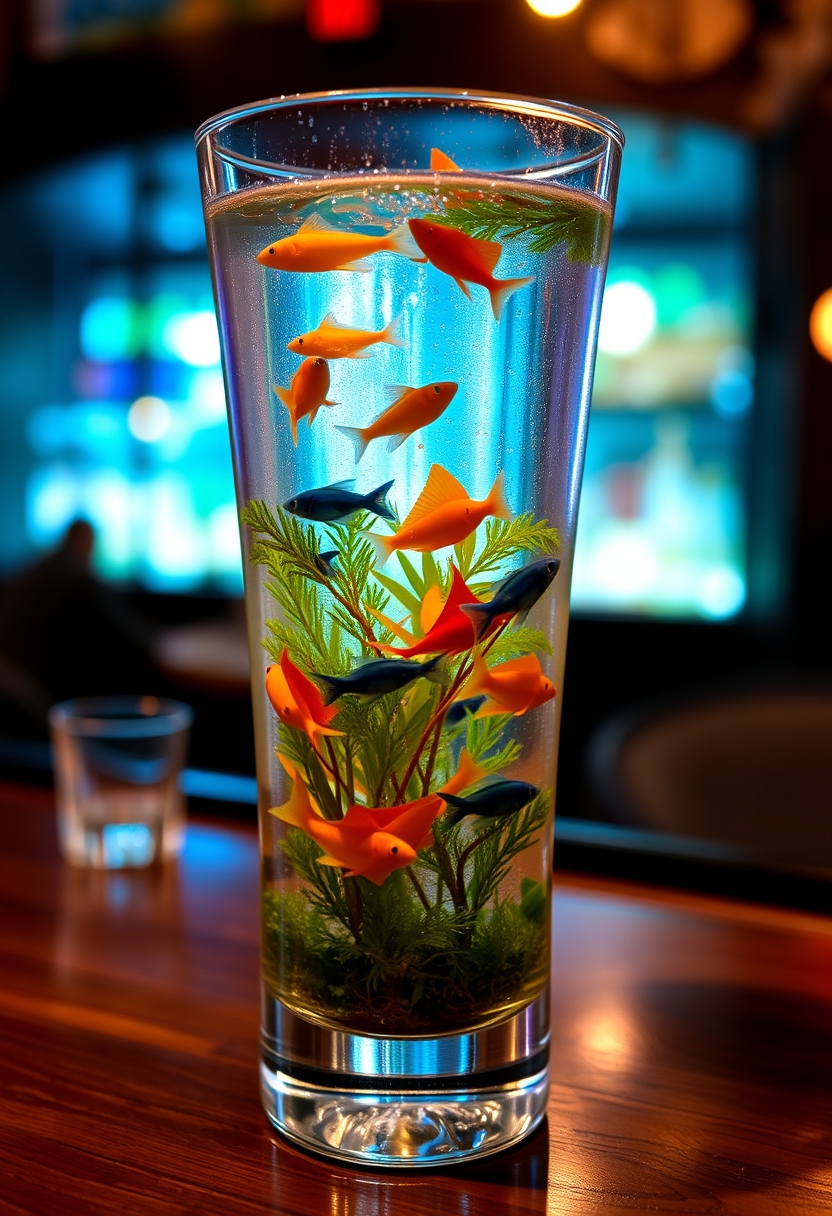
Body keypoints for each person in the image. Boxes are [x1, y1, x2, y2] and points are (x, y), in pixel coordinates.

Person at [0, 520, 155, 732]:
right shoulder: (76, 582)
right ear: (84, 541)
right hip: (43, 710)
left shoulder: (35, 571)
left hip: (17, 695)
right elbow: (130, 636)